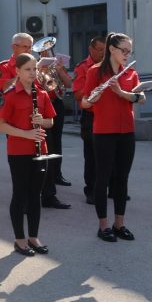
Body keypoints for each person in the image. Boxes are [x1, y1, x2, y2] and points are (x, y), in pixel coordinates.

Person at [81, 33, 144, 243]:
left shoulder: (130, 73)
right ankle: (103, 226)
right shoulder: (95, 72)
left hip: (127, 131)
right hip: (104, 132)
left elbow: (141, 98)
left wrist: (121, 92)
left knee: (122, 178)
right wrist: (94, 98)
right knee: (103, 177)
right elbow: (84, 102)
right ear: (112, 49)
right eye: (124, 51)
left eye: (129, 52)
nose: (127, 55)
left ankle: (119, 224)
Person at [0, 53, 56, 256]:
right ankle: (19, 239)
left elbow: (50, 122)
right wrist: (26, 134)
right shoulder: (11, 95)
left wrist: (41, 121)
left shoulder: (42, 94)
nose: (32, 73)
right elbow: (0, 125)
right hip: (18, 152)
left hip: (40, 150)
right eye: (28, 69)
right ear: (18, 71)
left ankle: (33, 237)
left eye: (35, 69)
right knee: (20, 194)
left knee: (35, 195)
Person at [36, 45, 73, 209]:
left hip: (57, 104)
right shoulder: (36, 66)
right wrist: (42, 72)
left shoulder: (56, 65)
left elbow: (68, 84)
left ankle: (57, 174)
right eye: (44, 50)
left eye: (49, 49)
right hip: (44, 105)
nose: (47, 52)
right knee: (47, 146)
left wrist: (59, 71)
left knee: (57, 142)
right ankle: (46, 184)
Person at [73, 36, 105, 205]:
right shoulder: (83, 67)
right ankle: (91, 190)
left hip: (107, 114)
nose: (102, 54)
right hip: (91, 115)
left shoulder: (109, 66)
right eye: (99, 50)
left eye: (105, 50)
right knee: (91, 155)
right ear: (91, 49)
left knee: (111, 153)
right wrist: (93, 87)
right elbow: (78, 94)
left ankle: (113, 188)